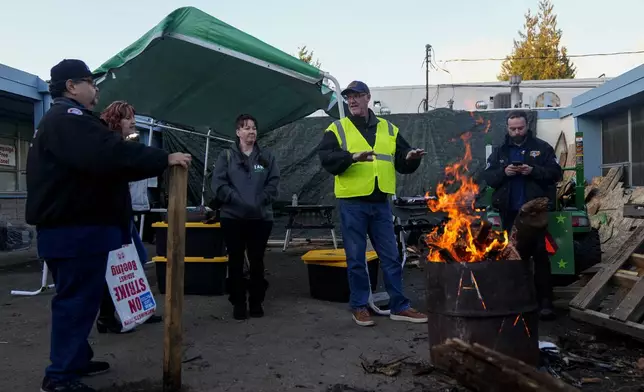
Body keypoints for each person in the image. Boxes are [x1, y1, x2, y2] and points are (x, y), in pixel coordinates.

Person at [27, 59, 192, 392]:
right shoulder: (69, 120)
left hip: (73, 229)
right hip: (75, 231)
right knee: (75, 302)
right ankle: (59, 378)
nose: (96, 88)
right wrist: (164, 158)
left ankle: (75, 360)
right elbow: (110, 154)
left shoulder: (61, 121)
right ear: (71, 86)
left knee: (81, 299)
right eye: (90, 81)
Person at [317, 80, 428, 327]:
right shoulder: (337, 129)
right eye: (349, 97)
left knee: (390, 256)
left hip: (380, 203)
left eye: (357, 96)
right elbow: (327, 159)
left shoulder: (389, 129)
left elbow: (402, 160)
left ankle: (400, 306)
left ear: (368, 97)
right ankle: (359, 306)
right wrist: (352, 157)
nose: (352, 101)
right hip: (352, 202)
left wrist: (411, 158)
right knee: (356, 258)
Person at [480, 109, 562, 320]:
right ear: (507, 128)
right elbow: (488, 177)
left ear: (527, 127)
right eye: (513, 128)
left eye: (520, 128)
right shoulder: (500, 152)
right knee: (512, 257)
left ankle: (545, 303)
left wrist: (532, 171)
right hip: (509, 212)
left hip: (535, 214)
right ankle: (514, 301)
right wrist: (503, 173)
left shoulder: (542, 148)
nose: (517, 132)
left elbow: (556, 173)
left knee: (541, 256)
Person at [94, 100, 163, 334]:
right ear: (115, 121)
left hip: (122, 214)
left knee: (135, 261)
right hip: (108, 218)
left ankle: (135, 311)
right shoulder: (106, 147)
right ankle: (107, 316)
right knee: (114, 267)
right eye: (127, 117)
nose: (133, 121)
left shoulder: (116, 145)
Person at [211, 114, 280, 320]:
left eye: (254, 128)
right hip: (233, 217)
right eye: (246, 128)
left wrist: (260, 200)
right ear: (238, 132)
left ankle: (256, 301)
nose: (251, 131)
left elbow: (274, 182)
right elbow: (219, 184)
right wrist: (236, 199)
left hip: (260, 218)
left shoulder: (267, 156)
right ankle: (238, 302)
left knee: (257, 260)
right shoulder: (226, 156)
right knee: (235, 260)